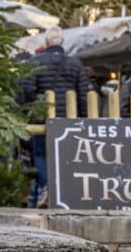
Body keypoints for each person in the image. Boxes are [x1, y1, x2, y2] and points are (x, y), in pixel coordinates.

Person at [19, 25, 92, 207]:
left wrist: (28, 108)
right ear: (63, 42)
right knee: (67, 156)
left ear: (45, 42)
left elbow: (25, 88)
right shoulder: (75, 63)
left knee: (40, 154)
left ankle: (46, 187)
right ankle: (65, 191)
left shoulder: (35, 61)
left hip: (41, 117)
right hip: (69, 118)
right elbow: (84, 94)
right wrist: (84, 118)